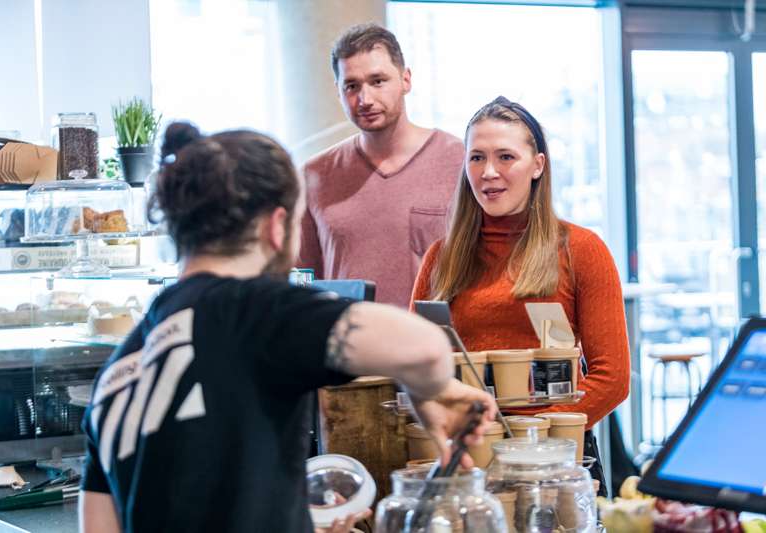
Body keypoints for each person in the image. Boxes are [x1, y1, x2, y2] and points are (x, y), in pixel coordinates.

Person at [78, 123, 497, 533]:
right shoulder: (251, 308)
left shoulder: (120, 369)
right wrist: (428, 391)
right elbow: (423, 346)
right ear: (275, 227)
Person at [410, 97, 630, 495]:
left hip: (555, 462)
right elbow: (417, 367)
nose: (489, 172)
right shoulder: (441, 258)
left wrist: (532, 438)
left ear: (538, 166)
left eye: (505, 156)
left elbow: (611, 379)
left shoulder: (580, 249)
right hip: (466, 458)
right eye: (476, 158)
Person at [298, 23, 464, 308]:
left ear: (406, 80)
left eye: (378, 81)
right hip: (346, 344)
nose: (365, 99)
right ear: (338, 92)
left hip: (437, 345)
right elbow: (303, 276)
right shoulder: (314, 175)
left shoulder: (460, 160)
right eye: (352, 86)